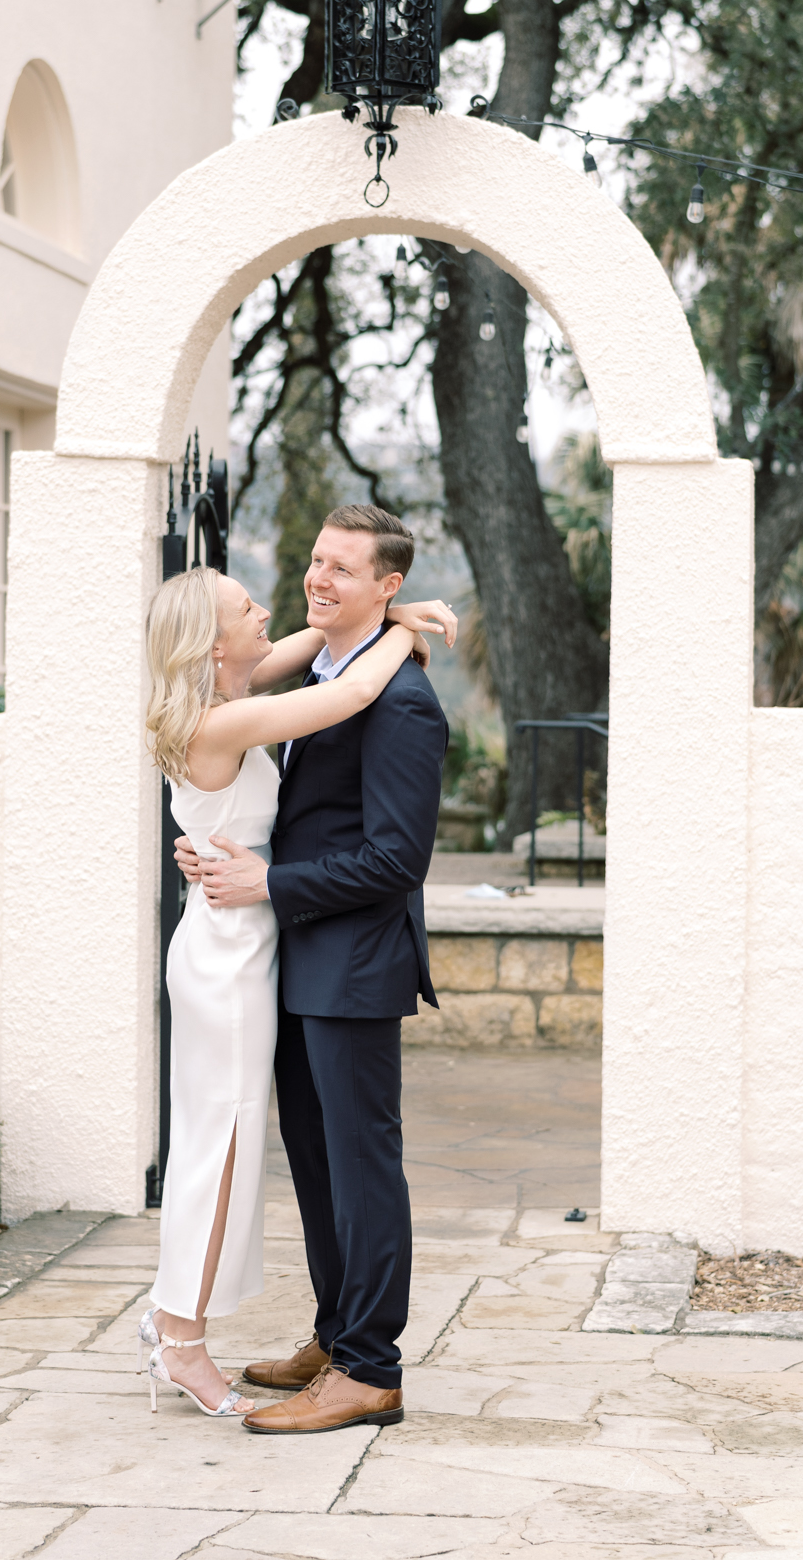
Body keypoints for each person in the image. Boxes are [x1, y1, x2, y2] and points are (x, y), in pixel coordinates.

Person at [140, 555, 455, 1420]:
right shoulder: (226, 717)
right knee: (223, 1144)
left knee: (232, 1141)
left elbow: (321, 645)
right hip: (231, 952)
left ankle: (245, 1327)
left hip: (245, 938)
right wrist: (401, 628)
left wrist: (390, 602)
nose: (270, 608)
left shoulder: (227, 692)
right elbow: (346, 695)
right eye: (248, 607)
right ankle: (178, 1337)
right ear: (214, 642)